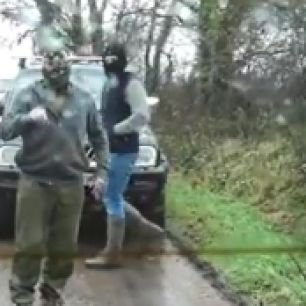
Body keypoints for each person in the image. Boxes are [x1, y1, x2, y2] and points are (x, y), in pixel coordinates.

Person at [1, 50, 108, 306]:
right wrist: (28, 118)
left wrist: (102, 172)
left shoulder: (83, 100)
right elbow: (5, 130)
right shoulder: (27, 94)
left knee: (64, 246)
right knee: (30, 244)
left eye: (61, 68)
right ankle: (22, 296)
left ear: (68, 70)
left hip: (71, 183)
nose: (57, 72)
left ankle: (52, 290)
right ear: (44, 70)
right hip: (34, 180)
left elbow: (99, 137)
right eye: (51, 67)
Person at [85, 42, 165, 269]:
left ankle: (113, 253)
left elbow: (142, 115)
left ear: (122, 60)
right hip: (109, 149)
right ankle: (152, 233)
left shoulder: (132, 83)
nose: (110, 63)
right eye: (107, 59)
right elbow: (105, 114)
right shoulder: (108, 85)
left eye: (114, 59)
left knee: (112, 197)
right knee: (109, 195)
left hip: (125, 149)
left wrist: (117, 130)